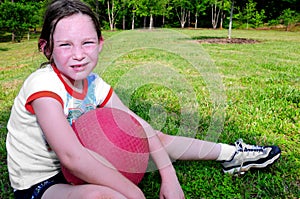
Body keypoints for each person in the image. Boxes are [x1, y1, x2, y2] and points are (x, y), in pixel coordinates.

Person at [6, 0, 281, 199]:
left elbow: (143, 128)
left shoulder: (93, 84)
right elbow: (72, 157)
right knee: (101, 196)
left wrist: (169, 178)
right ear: (46, 48)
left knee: (151, 137)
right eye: (66, 45)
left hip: (83, 166)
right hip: (43, 184)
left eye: (87, 43)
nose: (78, 54)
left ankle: (231, 154)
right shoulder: (43, 85)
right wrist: (134, 193)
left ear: (101, 43)